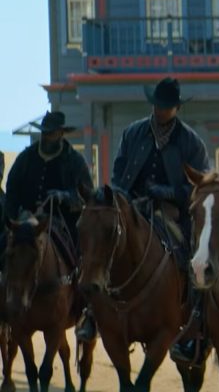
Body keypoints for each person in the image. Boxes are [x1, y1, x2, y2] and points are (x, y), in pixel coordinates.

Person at [76, 78, 211, 364]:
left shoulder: (191, 142)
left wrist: (166, 192)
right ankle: (91, 314)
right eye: (158, 105)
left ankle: (196, 324)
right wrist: (122, 200)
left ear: (176, 108)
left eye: (167, 106)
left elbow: (199, 187)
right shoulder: (133, 133)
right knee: (101, 246)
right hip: (131, 206)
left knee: (193, 256)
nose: (161, 111)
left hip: (172, 211)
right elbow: (118, 175)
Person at [4, 111, 93, 255]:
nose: (46, 137)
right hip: (25, 222)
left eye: (51, 133)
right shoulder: (26, 158)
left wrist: (64, 196)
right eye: (44, 133)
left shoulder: (74, 161)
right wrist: (15, 217)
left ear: (61, 133)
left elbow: (87, 195)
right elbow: (12, 190)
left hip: (62, 224)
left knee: (79, 252)